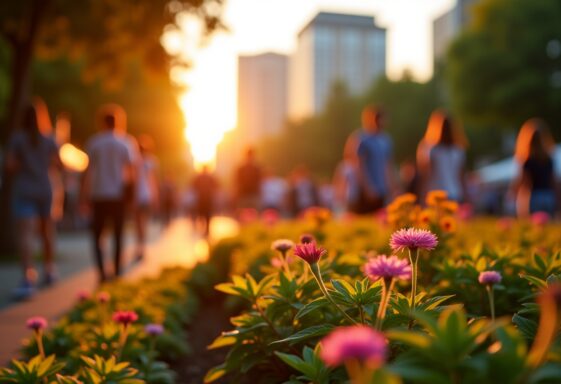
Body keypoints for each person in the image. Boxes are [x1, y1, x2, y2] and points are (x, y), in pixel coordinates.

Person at [6, 104, 62, 299]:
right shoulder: (49, 139)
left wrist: (24, 163)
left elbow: (10, 165)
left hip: (24, 190)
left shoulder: (18, 139)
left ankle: (28, 277)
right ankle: (49, 269)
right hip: (45, 189)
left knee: (26, 234)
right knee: (47, 231)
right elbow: (59, 163)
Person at [80, 106, 134, 282]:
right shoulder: (125, 143)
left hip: (99, 194)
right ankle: (117, 270)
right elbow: (131, 171)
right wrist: (130, 194)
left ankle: (102, 271)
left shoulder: (94, 142)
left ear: (102, 122)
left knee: (97, 235)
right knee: (118, 234)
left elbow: (88, 172)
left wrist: (83, 195)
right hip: (118, 195)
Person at [512, 118, 557, 217]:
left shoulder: (527, 161)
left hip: (534, 196)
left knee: (532, 225)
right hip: (548, 196)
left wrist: (513, 192)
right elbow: (553, 181)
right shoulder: (549, 159)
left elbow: (524, 181)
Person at [355, 105, 397, 213]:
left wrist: (392, 186)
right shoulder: (362, 139)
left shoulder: (386, 140)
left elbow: (388, 165)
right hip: (367, 190)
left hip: (382, 188)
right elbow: (359, 166)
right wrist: (367, 187)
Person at [420, 111, 468, 202]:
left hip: (436, 193)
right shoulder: (458, 150)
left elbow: (426, 175)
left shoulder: (432, 149)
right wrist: (466, 195)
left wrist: (422, 194)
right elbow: (461, 176)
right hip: (455, 192)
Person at [134, 134, 159, 260]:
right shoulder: (150, 161)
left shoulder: (135, 160)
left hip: (137, 195)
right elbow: (152, 181)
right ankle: (141, 247)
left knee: (138, 222)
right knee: (143, 222)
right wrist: (155, 197)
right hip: (146, 195)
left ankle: (140, 247)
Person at [191, 165, 219, 236]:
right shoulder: (210, 177)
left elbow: (194, 186)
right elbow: (216, 186)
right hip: (207, 199)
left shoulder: (199, 177)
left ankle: (204, 228)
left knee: (203, 214)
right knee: (207, 214)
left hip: (202, 199)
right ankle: (206, 229)